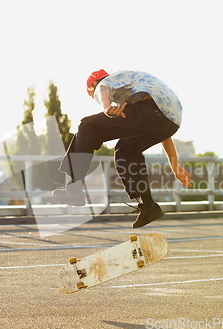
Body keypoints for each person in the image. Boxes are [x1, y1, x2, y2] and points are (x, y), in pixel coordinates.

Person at [53, 69, 192, 228]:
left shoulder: (104, 83)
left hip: (149, 108)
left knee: (87, 126)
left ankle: (74, 189)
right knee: (125, 150)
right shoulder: (129, 85)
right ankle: (148, 206)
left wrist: (106, 108)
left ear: (93, 87)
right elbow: (164, 134)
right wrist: (174, 165)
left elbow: (102, 89)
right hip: (170, 120)